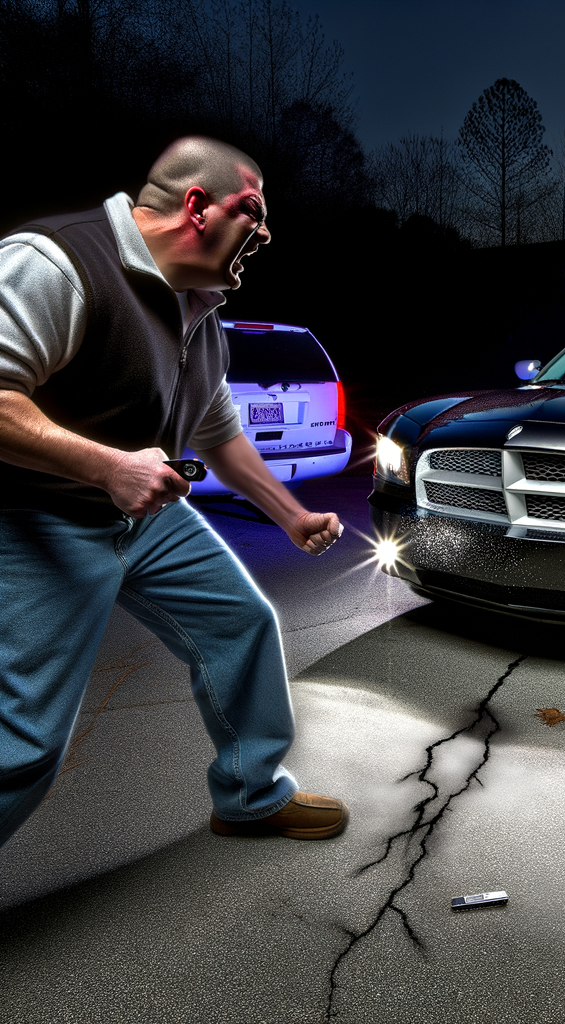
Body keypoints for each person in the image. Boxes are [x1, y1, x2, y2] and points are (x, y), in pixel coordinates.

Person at [0, 136, 348, 847]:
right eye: (253, 211)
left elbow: (217, 429)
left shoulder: (201, 313)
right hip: (39, 516)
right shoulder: (56, 263)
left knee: (242, 625)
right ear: (197, 206)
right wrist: (106, 467)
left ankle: (251, 796)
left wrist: (290, 516)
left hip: (146, 519)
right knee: (24, 745)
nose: (266, 230)